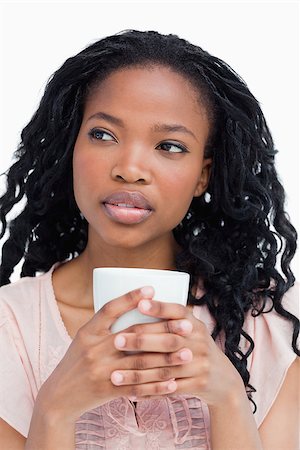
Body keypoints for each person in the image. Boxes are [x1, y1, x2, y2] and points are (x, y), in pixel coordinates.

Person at [0, 29, 298, 450]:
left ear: (203, 175)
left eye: (170, 145)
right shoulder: (9, 326)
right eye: (103, 135)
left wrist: (230, 400)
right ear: (71, 148)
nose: (130, 168)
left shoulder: (268, 324)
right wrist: (55, 408)